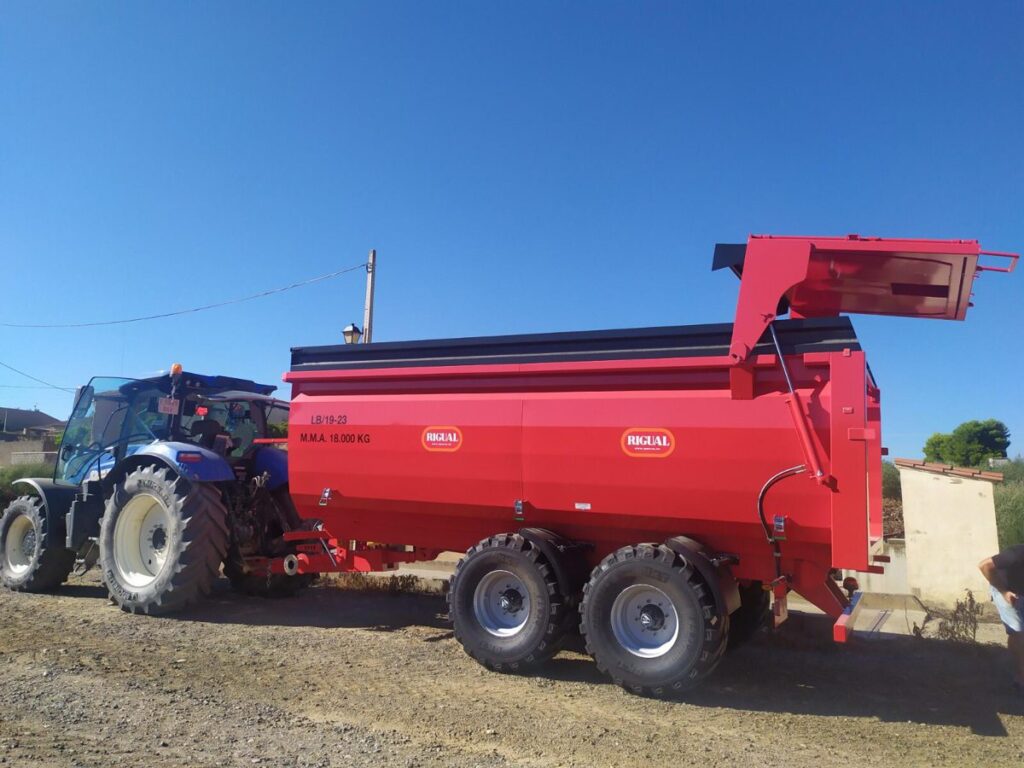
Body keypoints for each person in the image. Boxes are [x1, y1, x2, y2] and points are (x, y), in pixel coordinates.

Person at [979, 544, 1024, 691]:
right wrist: (1004, 592)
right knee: (1018, 631)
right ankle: (1021, 677)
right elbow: (984, 565)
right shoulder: (1017, 553)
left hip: (1020, 590)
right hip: (1004, 590)